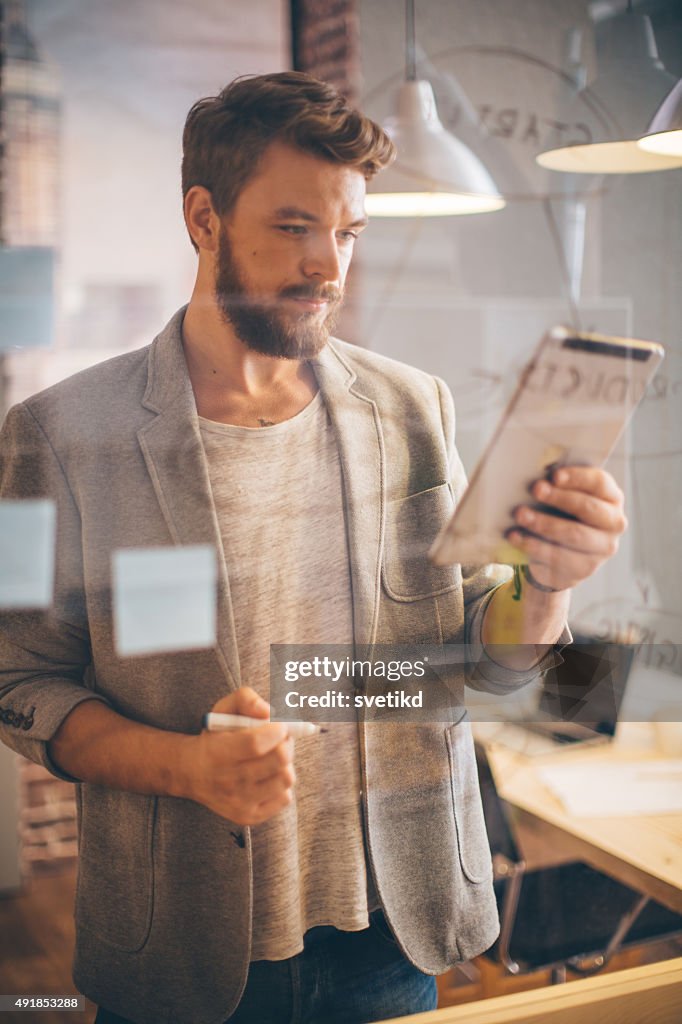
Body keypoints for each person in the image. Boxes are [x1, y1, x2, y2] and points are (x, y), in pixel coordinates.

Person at [0, 72, 627, 1024]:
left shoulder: (417, 407)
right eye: (295, 228)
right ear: (204, 219)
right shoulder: (53, 433)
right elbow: (17, 682)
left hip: (396, 928)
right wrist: (190, 769)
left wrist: (545, 582)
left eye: (348, 232)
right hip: (184, 946)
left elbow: (483, 668)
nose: (329, 266)